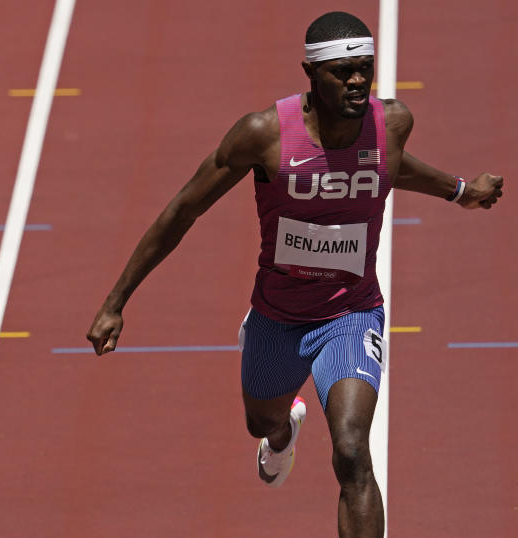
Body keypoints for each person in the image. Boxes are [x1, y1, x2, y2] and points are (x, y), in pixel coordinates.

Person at [86, 11, 502, 538]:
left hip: (352, 314)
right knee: (261, 421)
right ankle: (283, 434)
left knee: (352, 453)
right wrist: (115, 301)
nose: (357, 80)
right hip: (277, 318)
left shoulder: (390, 123)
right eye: (343, 71)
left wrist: (462, 192)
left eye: (365, 69)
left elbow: (394, 165)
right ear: (311, 74)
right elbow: (182, 211)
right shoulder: (263, 136)